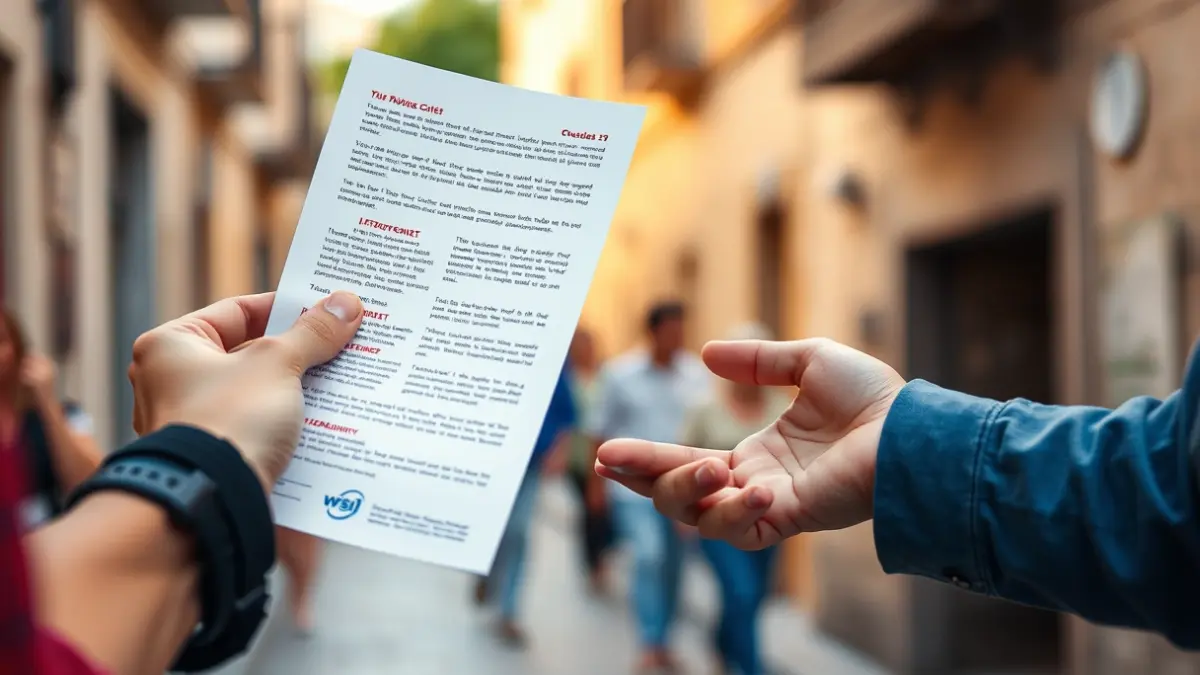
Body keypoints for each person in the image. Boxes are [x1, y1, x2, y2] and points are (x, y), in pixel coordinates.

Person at [596, 336, 1200, 649]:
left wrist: (903, 441)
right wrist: (903, 445)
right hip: (744, 498)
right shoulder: (701, 407)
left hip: (759, 496)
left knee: (745, 595)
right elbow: (1170, 489)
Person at [1, 290, 364, 675]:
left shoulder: (49, 415)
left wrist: (44, 401)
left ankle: (302, 596)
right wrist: (202, 454)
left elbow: (84, 476)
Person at [588, 301, 712, 675]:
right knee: (648, 557)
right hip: (632, 490)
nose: (678, 337)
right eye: (671, 330)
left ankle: (663, 640)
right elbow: (600, 429)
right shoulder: (620, 374)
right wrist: (596, 485)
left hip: (682, 489)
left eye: (682, 330)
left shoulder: (695, 375)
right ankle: (648, 641)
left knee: (675, 567)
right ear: (653, 332)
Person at [680, 323, 790, 675]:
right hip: (720, 519)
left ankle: (722, 645)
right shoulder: (705, 409)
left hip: (769, 518)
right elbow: (683, 462)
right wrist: (681, 516)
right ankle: (752, 667)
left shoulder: (783, 407)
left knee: (755, 596)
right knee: (741, 592)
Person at [473, 362, 577, 647]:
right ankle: (485, 571)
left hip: (531, 464)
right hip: (491, 458)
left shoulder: (555, 359)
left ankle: (508, 611)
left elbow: (568, 414)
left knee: (518, 531)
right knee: (492, 528)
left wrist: (560, 451)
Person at [0, 309, 103, 531]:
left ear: (18, 351)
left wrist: (47, 400)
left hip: (51, 544)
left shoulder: (63, 413)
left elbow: (88, 482)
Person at [563, 327, 614, 593]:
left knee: (602, 511)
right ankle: (593, 562)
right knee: (590, 509)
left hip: (603, 451)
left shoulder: (606, 375)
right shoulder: (568, 378)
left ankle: (599, 557)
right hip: (577, 456)